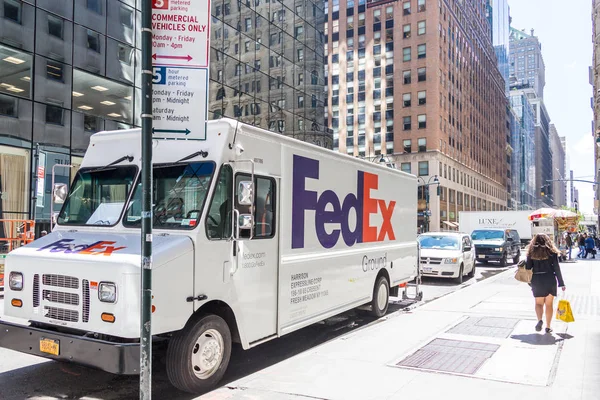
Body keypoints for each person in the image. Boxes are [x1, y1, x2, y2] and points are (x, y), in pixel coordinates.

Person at [526, 234, 566, 333]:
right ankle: (548, 326)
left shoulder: (531, 253)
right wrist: (561, 283)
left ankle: (540, 320)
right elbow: (557, 268)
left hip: (537, 279)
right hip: (549, 279)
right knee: (549, 304)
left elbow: (528, 268)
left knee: (538, 303)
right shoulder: (552, 252)